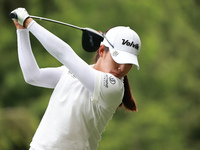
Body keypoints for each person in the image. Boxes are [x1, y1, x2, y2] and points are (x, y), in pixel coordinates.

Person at [11, 7, 141, 150]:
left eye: (129, 63)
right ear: (102, 50)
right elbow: (32, 76)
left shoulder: (114, 88)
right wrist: (21, 30)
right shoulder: (71, 71)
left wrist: (30, 23)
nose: (122, 68)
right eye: (118, 59)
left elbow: (65, 54)